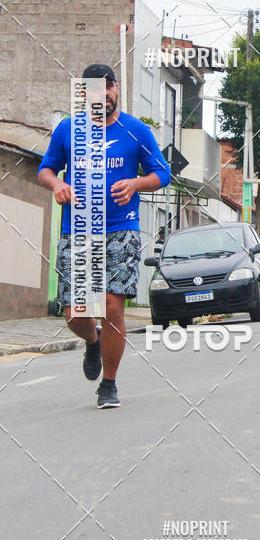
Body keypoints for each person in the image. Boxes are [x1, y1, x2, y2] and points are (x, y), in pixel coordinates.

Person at [38, 64, 171, 408]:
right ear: (86, 94)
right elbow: (45, 169)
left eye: (109, 87)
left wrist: (136, 183)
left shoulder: (136, 131)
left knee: (112, 306)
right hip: (78, 229)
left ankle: (108, 384)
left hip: (121, 228)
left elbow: (162, 172)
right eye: (96, 89)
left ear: (116, 91)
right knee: (75, 313)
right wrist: (58, 184)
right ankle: (93, 340)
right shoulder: (68, 129)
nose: (104, 94)